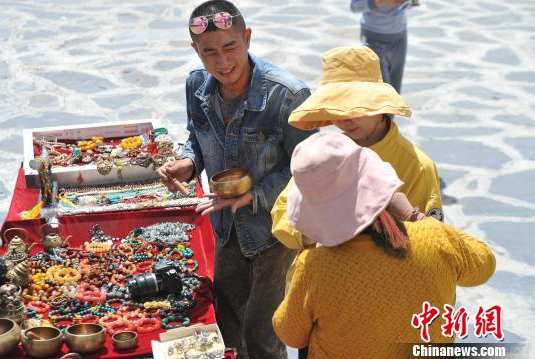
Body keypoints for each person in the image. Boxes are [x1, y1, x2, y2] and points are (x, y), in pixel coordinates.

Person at [157, 1, 316, 357]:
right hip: (225, 225)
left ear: (246, 37)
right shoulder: (197, 85)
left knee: (262, 333)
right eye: (209, 51)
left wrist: (254, 195)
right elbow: (197, 135)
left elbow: (309, 167)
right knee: (227, 323)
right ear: (195, 50)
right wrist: (188, 161)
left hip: (274, 231)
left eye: (230, 47)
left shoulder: (288, 96)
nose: (222, 61)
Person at [272, 132, 496, 358]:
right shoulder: (435, 238)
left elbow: (290, 333)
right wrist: (414, 215)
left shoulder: (315, 265)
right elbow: (484, 264)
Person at [272, 45, 443, 251]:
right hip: (321, 270)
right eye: (337, 109)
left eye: (355, 107)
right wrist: (313, 234)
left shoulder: (418, 167)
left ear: (379, 105)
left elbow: (432, 243)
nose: (344, 120)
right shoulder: (326, 153)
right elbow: (282, 212)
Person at [350, 0, 418, 93]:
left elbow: (412, 3)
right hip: (372, 39)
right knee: (383, 93)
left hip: (399, 37)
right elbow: (355, 6)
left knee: (395, 93)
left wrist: (405, 2)